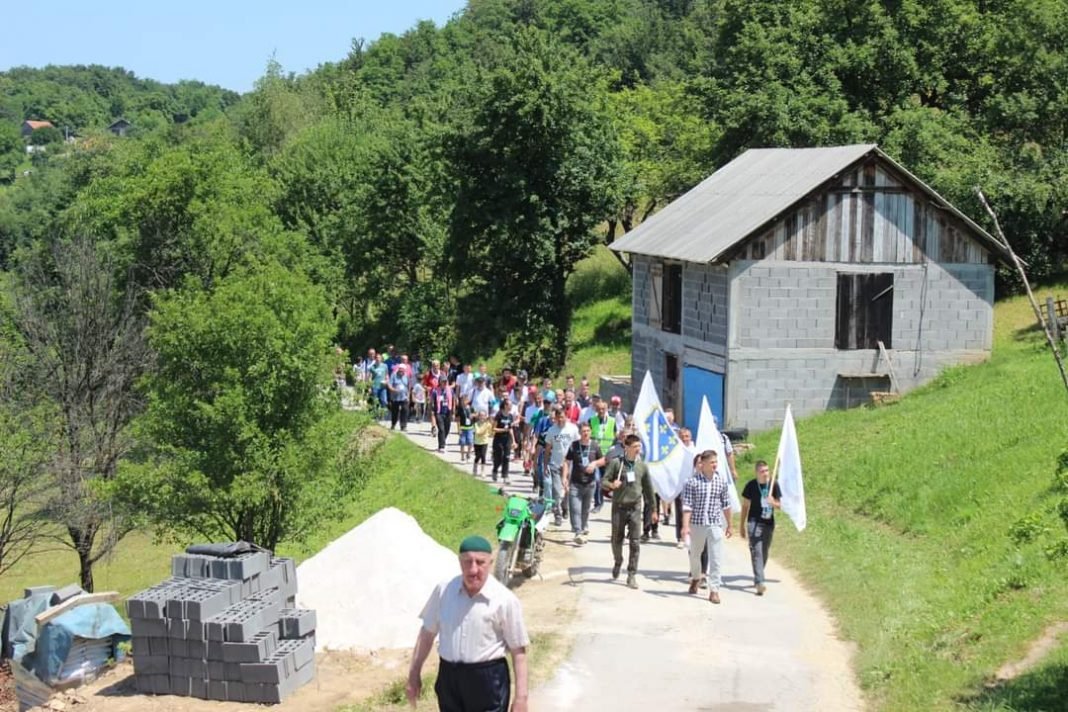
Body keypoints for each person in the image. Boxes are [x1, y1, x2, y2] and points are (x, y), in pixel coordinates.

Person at [407, 535, 529, 712]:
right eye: (467, 562)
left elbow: (518, 652)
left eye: (480, 562)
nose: (473, 570)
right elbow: (427, 633)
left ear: (490, 563)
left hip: (488, 682)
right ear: (459, 562)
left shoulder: (505, 600)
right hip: (449, 678)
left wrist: (521, 698)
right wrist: (414, 673)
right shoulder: (444, 591)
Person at [601, 434, 656, 589]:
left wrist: (653, 509)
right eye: (635, 446)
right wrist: (612, 485)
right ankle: (618, 560)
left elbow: (649, 489)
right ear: (626, 447)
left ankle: (631, 574)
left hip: (635, 507)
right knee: (616, 539)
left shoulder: (642, 466)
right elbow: (603, 481)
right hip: (619, 507)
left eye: (639, 446)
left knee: (635, 542)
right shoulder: (616, 463)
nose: (638, 449)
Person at [680, 450, 733, 604]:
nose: (714, 465)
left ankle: (714, 589)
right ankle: (696, 577)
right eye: (711, 462)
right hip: (697, 524)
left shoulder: (721, 481)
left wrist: (729, 524)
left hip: (715, 524)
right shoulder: (692, 482)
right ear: (702, 464)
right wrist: (685, 526)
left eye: (716, 462)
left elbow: (726, 505)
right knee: (695, 554)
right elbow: (687, 506)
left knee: (716, 557)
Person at [740, 460, 782, 596]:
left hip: (768, 522)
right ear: (756, 472)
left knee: (764, 552)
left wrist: (773, 502)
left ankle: (758, 575)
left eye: (767, 470)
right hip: (754, 522)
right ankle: (760, 582)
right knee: (757, 551)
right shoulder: (751, 485)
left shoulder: (774, 484)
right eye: (762, 471)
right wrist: (741, 525)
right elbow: (745, 506)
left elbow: (780, 505)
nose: (765, 473)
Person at [565, 422, 606, 545]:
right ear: (580, 433)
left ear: (591, 432)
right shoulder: (574, 445)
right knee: (575, 508)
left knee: (585, 509)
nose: (586, 433)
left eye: (588, 431)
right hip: (575, 483)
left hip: (590, 483)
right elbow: (567, 462)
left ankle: (583, 528)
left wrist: (594, 464)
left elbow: (603, 460)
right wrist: (564, 477)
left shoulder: (595, 445)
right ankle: (578, 532)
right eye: (583, 431)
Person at [541, 406, 579, 525]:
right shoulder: (552, 430)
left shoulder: (573, 429)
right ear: (556, 418)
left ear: (566, 416)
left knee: (568, 489)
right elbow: (547, 449)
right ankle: (557, 514)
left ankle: (565, 506)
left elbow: (578, 446)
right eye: (558, 418)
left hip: (570, 464)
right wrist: (545, 465)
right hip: (555, 464)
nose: (560, 420)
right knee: (556, 491)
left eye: (562, 417)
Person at [491, 398, 517, 484]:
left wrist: (514, 441)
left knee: (506, 457)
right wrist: (503, 430)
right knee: (499, 457)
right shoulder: (499, 415)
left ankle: (505, 476)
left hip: (507, 439)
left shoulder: (510, 416)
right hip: (498, 439)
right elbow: (493, 428)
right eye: (509, 405)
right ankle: (495, 470)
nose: (511, 407)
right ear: (505, 405)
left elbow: (510, 429)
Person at [430, 379, 455, 453]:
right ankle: (441, 446)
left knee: (447, 429)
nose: (444, 383)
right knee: (441, 429)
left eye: (445, 382)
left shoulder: (450, 390)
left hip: (448, 412)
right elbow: (432, 401)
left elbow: (453, 401)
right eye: (442, 382)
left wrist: (453, 412)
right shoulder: (435, 391)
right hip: (439, 412)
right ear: (440, 382)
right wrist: (432, 410)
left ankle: (442, 441)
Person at [388, 363, 410, 431]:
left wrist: (408, 396)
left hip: (404, 396)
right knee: (395, 412)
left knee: (405, 410)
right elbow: (389, 385)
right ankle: (393, 424)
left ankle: (403, 426)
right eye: (400, 370)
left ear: (404, 370)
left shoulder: (406, 376)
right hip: (395, 397)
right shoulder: (393, 375)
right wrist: (393, 390)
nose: (401, 371)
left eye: (402, 370)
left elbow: (408, 386)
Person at [473, 412, 493, 477]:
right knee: (477, 456)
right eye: (481, 415)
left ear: (485, 417)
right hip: (477, 442)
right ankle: (475, 469)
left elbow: (491, 432)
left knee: (483, 456)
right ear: (478, 417)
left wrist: (491, 425)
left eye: (483, 416)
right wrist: (486, 427)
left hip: (484, 442)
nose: (482, 417)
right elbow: (478, 433)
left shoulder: (488, 424)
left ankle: (483, 471)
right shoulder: (476, 424)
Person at [456, 394, 475, 462]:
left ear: (468, 401)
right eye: (462, 401)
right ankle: (462, 456)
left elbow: (475, 414)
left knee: (470, 442)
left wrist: (472, 415)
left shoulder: (471, 408)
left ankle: (469, 453)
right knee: (462, 442)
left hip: (470, 428)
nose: (463, 402)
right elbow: (458, 419)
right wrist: (459, 429)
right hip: (463, 428)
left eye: (465, 400)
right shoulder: (460, 409)